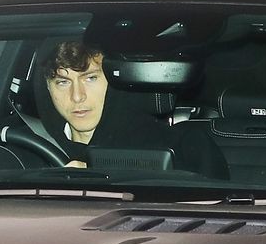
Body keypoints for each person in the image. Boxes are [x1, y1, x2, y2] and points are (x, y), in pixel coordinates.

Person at [41, 40, 227, 178]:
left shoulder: (184, 148)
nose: (77, 96)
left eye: (91, 78)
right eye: (63, 82)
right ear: (48, 88)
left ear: (116, 79)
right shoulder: (28, 149)